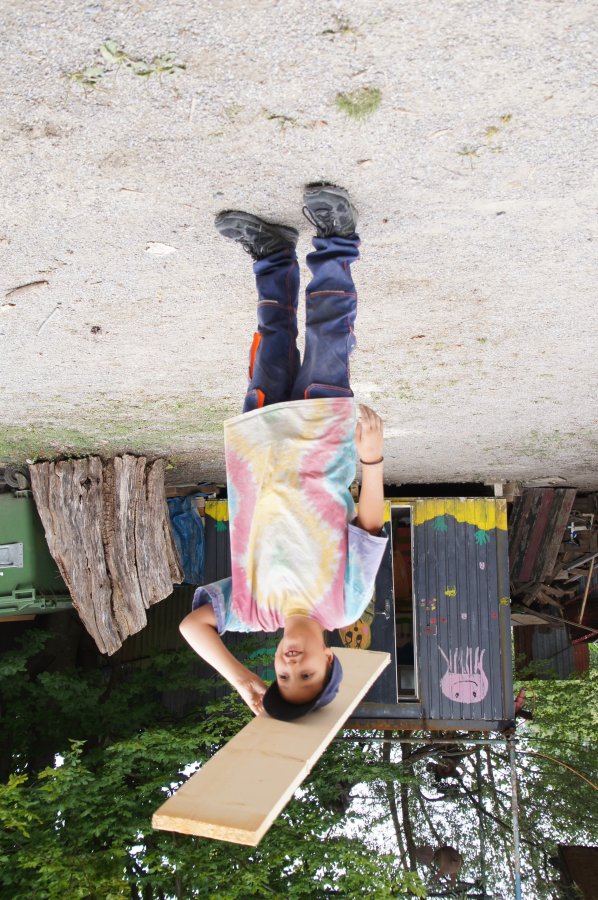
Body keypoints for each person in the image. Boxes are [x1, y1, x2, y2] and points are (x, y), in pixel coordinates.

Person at [180, 183, 388, 720]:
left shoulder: (251, 611)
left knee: (271, 337)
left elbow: (192, 626)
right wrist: (371, 458)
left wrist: (242, 679)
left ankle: (272, 252)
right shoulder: (345, 605)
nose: (291, 666)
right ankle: (336, 240)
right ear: (330, 659)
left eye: (283, 676)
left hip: (261, 442)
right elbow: (368, 528)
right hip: (322, 441)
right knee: (328, 333)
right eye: (308, 674)